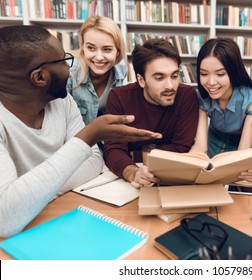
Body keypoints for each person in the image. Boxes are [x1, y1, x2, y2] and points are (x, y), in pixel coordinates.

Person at [0, 25, 161, 237]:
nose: (71, 67)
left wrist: (35, 191)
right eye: (64, 61)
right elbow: (6, 219)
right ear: (40, 77)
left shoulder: (62, 102)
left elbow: (94, 160)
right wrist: (89, 135)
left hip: (58, 218)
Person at [103, 38, 199, 188]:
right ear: (141, 80)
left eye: (174, 76)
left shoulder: (187, 96)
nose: (170, 86)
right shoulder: (119, 97)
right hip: (131, 180)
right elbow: (113, 149)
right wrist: (133, 173)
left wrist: (135, 154)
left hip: (172, 176)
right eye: (159, 78)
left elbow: (181, 148)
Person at [189, 38, 252, 183]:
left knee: (236, 179)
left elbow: (242, 152)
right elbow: (200, 146)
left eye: (220, 74)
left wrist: (244, 169)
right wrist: (184, 166)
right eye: (204, 74)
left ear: (233, 72)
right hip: (213, 141)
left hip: (238, 147)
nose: (211, 82)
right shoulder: (202, 95)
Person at [67, 16, 128, 125]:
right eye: (91, 48)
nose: (99, 57)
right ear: (83, 48)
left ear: (117, 52)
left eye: (107, 49)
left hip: (103, 138)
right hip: (75, 138)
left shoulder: (121, 71)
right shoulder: (69, 72)